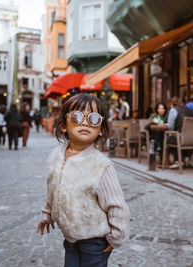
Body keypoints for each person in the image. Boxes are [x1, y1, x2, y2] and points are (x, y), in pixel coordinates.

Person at [36, 93, 130, 267]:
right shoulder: (56, 156)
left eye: (93, 119)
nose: (85, 122)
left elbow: (116, 205)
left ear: (101, 129)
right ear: (64, 125)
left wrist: (116, 237)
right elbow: (53, 189)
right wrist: (47, 214)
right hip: (70, 238)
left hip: (95, 240)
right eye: (77, 117)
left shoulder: (101, 165)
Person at [167, 97, 193, 169]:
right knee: (177, 137)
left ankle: (178, 160)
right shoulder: (190, 111)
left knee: (168, 139)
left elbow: (170, 127)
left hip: (181, 138)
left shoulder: (173, 110)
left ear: (172, 104)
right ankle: (185, 158)